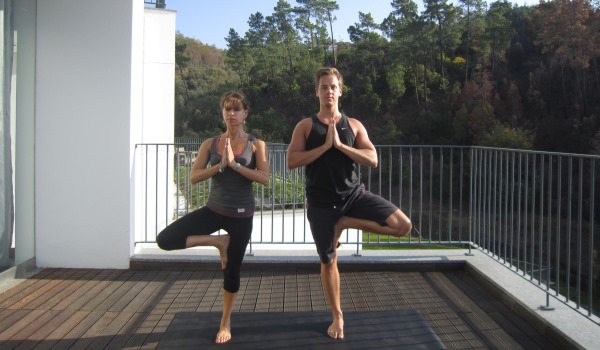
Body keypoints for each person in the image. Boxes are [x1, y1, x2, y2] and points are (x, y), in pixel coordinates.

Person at [287, 67, 412, 340]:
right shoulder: (306, 126)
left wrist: (342, 146)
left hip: (355, 196)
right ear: (316, 91)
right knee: (328, 260)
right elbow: (291, 161)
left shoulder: (354, 125)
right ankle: (337, 316)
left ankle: (346, 223)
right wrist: (324, 147)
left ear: (340, 91)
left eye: (333, 86)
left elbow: (373, 158)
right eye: (323, 86)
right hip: (321, 204)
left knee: (403, 225)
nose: (328, 91)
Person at [156, 91, 269, 344]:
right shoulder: (211, 144)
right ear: (223, 113)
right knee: (165, 239)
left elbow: (264, 178)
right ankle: (219, 242)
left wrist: (237, 165)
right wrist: (220, 166)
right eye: (227, 109)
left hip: (241, 217)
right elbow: (194, 177)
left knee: (232, 273)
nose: (231, 114)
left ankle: (225, 322)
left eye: (236, 109)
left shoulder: (256, 145)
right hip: (214, 210)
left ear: (245, 113)